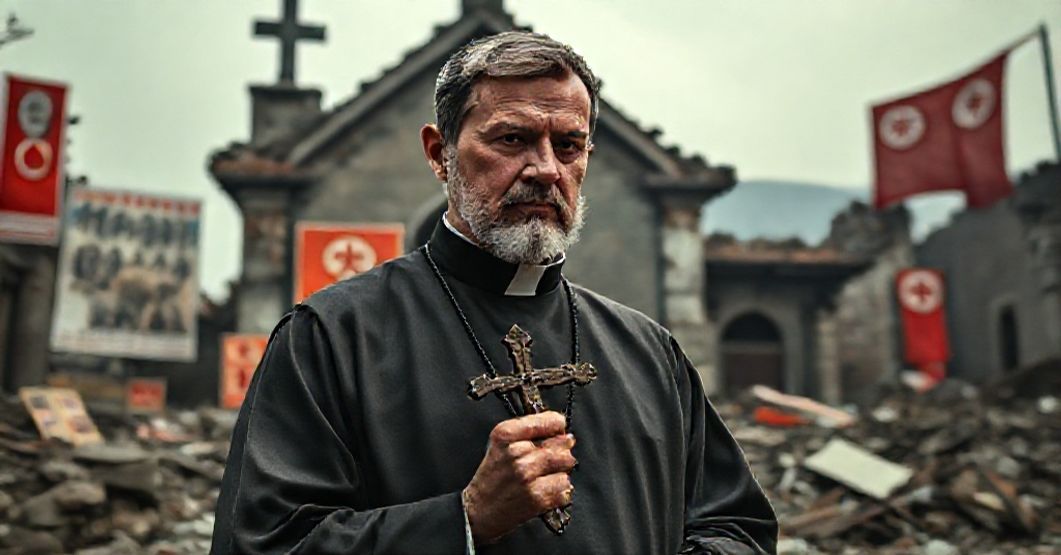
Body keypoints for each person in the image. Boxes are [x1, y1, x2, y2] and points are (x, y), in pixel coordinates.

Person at [211, 31, 777, 554]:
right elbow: (263, 543)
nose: (545, 169)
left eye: (569, 145)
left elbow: (737, 527)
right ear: (440, 153)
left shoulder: (650, 354)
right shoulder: (332, 338)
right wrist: (464, 519)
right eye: (513, 139)